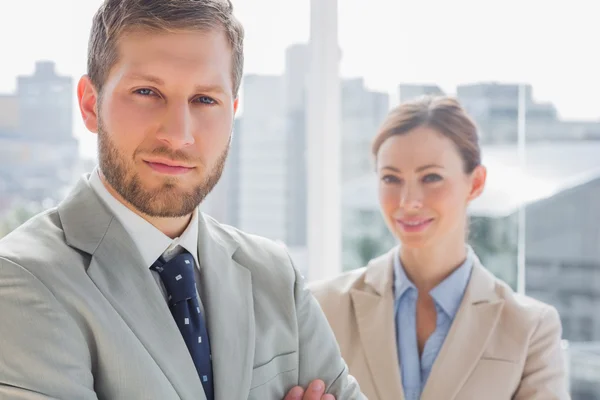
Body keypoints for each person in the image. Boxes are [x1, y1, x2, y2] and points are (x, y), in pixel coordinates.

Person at [0, 1, 364, 399]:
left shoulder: (275, 276)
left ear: (233, 113)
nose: (178, 134)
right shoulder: (22, 280)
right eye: (146, 92)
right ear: (91, 104)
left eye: (205, 100)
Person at [309, 96, 569, 400]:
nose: (408, 201)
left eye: (431, 177)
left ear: (475, 183)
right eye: (391, 178)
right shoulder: (323, 307)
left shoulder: (530, 329)